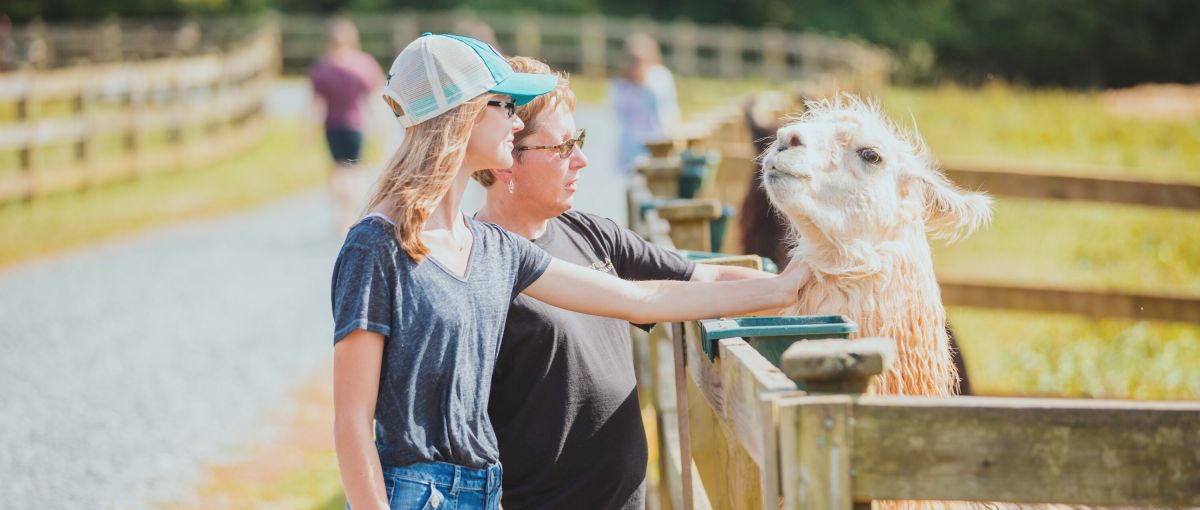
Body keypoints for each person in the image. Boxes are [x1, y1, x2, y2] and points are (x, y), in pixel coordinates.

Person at [332, 34, 808, 510]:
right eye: (504, 104)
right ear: (465, 111)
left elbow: (643, 300)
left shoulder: (494, 249)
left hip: (485, 490)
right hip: (415, 494)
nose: (515, 121)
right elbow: (352, 422)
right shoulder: (375, 246)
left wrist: (790, 288)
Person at [474, 56, 776, 510]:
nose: (582, 159)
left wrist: (799, 288)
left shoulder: (594, 234)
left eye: (580, 139)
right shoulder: (473, 265)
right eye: (562, 147)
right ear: (504, 159)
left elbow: (703, 274)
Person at [309, 18, 386, 233]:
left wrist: (307, 131)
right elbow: (374, 98)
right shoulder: (363, 64)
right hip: (356, 126)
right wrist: (380, 126)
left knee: (336, 170)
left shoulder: (324, 67)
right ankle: (351, 213)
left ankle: (339, 215)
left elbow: (315, 104)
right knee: (354, 170)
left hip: (332, 126)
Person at [608, 33, 681, 175]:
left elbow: (667, 112)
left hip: (657, 143)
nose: (634, 65)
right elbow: (617, 112)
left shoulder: (659, 77)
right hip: (631, 145)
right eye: (631, 60)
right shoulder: (621, 84)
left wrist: (642, 81)